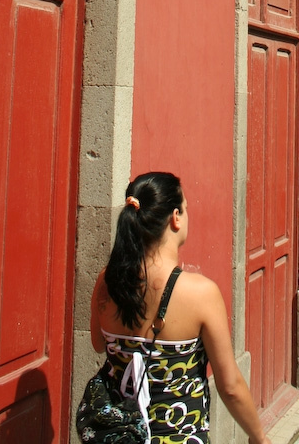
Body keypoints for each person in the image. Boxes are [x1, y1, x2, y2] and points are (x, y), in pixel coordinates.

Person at [76, 171, 272, 444]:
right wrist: (259, 437)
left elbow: (99, 344)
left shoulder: (107, 281)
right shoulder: (200, 293)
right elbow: (230, 387)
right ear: (175, 217)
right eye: (186, 208)